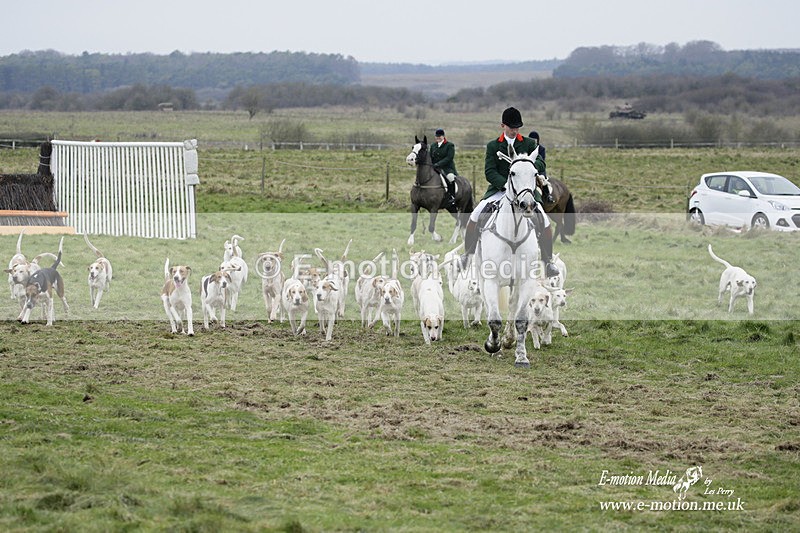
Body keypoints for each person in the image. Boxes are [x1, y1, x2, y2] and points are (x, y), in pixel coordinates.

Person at [460, 107, 559, 278]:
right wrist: (506, 185)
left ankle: (548, 261)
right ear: (502, 126)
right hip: (501, 190)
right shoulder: (493, 145)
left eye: (517, 127)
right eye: (511, 127)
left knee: (543, 218)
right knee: (476, 215)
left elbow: (541, 165)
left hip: (525, 191)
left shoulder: (529, 144)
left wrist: (527, 163)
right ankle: (467, 255)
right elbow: (489, 172)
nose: (514, 131)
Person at [430, 128, 458, 208]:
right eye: (437, 136)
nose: (438, 138)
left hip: (447, 168)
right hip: (435, 167)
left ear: (443, 136)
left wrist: (438, 164)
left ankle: (452, 196)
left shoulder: (449, 145)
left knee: (450, 178)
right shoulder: (433, 146)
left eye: (440, 136)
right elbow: (431, 156)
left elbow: (449, 158)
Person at [528, 130, 554, 203]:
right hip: (529, 169)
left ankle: (548, 196)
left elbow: (542, 160)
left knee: (543, 180)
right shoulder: (526, 148)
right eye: (531, 140)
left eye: (534, 140)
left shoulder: (541, 149)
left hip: (539, 168)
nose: (533, 141)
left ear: (537, 140)